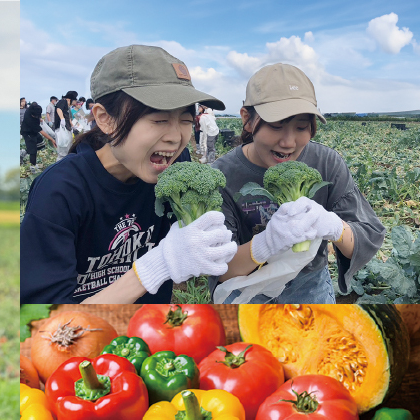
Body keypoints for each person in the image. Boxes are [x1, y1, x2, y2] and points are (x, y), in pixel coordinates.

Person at [20, 45, 237, 304]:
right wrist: (156, 266)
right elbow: (46, 324)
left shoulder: (176, 168)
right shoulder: (60, 191)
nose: (176, 137)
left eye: (186, 120)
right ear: (105, 119)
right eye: (158, 119)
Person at [211, 63, 385, 303]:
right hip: (247, 288)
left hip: (310, 285)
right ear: (247, 120)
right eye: (275, 125)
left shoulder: (326, 163)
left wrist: (335, 227)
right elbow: (221, 269)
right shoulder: (222, 175)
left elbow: (368, 235)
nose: (288, 142)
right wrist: (265, 244)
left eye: (301, 127)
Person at [22, 101, 46, 167]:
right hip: (27, 132)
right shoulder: (29, 118)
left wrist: (40, 118)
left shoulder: (33, 109)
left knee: (41, 144)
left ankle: (24, 152)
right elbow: (40, 130)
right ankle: (33, 166)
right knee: (33, 150)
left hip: (33, 132)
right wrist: (51, 139)